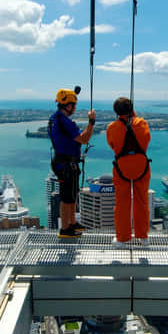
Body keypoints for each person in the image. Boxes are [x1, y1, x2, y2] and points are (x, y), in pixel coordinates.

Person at [49, 88, 96, 238]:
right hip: (67, 164)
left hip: (65, 163)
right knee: (67, 197)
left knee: (71, 194)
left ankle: (71, 223)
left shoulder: (55, 119)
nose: (75, 108)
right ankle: (65, 228)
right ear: (68, 106)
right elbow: (84, 139)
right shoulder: (64, 122)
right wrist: (91, 122)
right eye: (73, 105)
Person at [106, 97, 152, 248]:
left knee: (122, 203)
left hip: (122, 169)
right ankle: (143, 237)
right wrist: (135, 117)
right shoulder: (142, 124)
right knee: (142, 201)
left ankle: (122, 238)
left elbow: (113, 146)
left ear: (116, 112)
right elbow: (147, 139)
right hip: (141, 167)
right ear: (132, 110)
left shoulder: (112, 128)